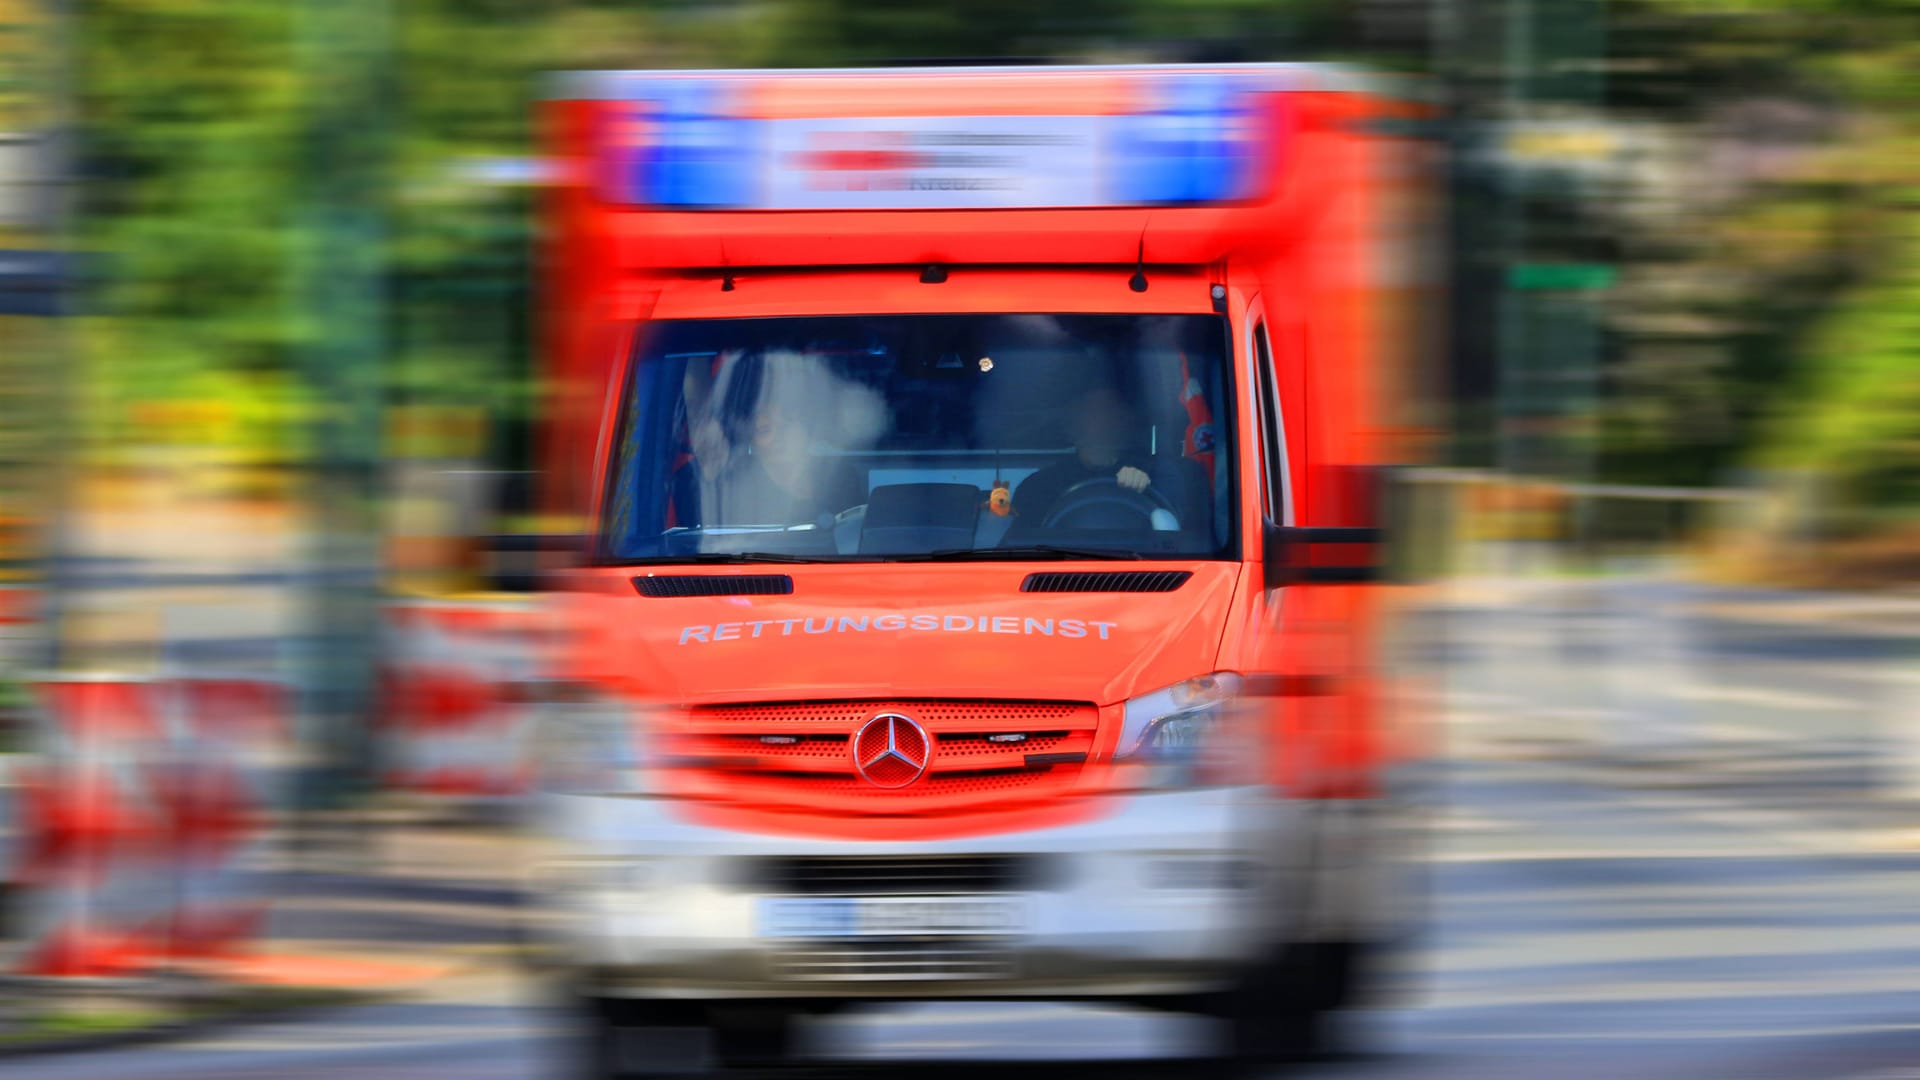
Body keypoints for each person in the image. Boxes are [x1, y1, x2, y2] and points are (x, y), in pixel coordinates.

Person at [1014, 383, 1197, 529]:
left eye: (1113, 412)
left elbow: (1180, 534)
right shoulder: (1039, 486)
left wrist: (1149, 493)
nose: (1105, 421)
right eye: (1093, 413)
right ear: (1070, 426)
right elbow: (1020, 547)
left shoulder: (1158, 474)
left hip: (1141, 567)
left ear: (1127, 423)